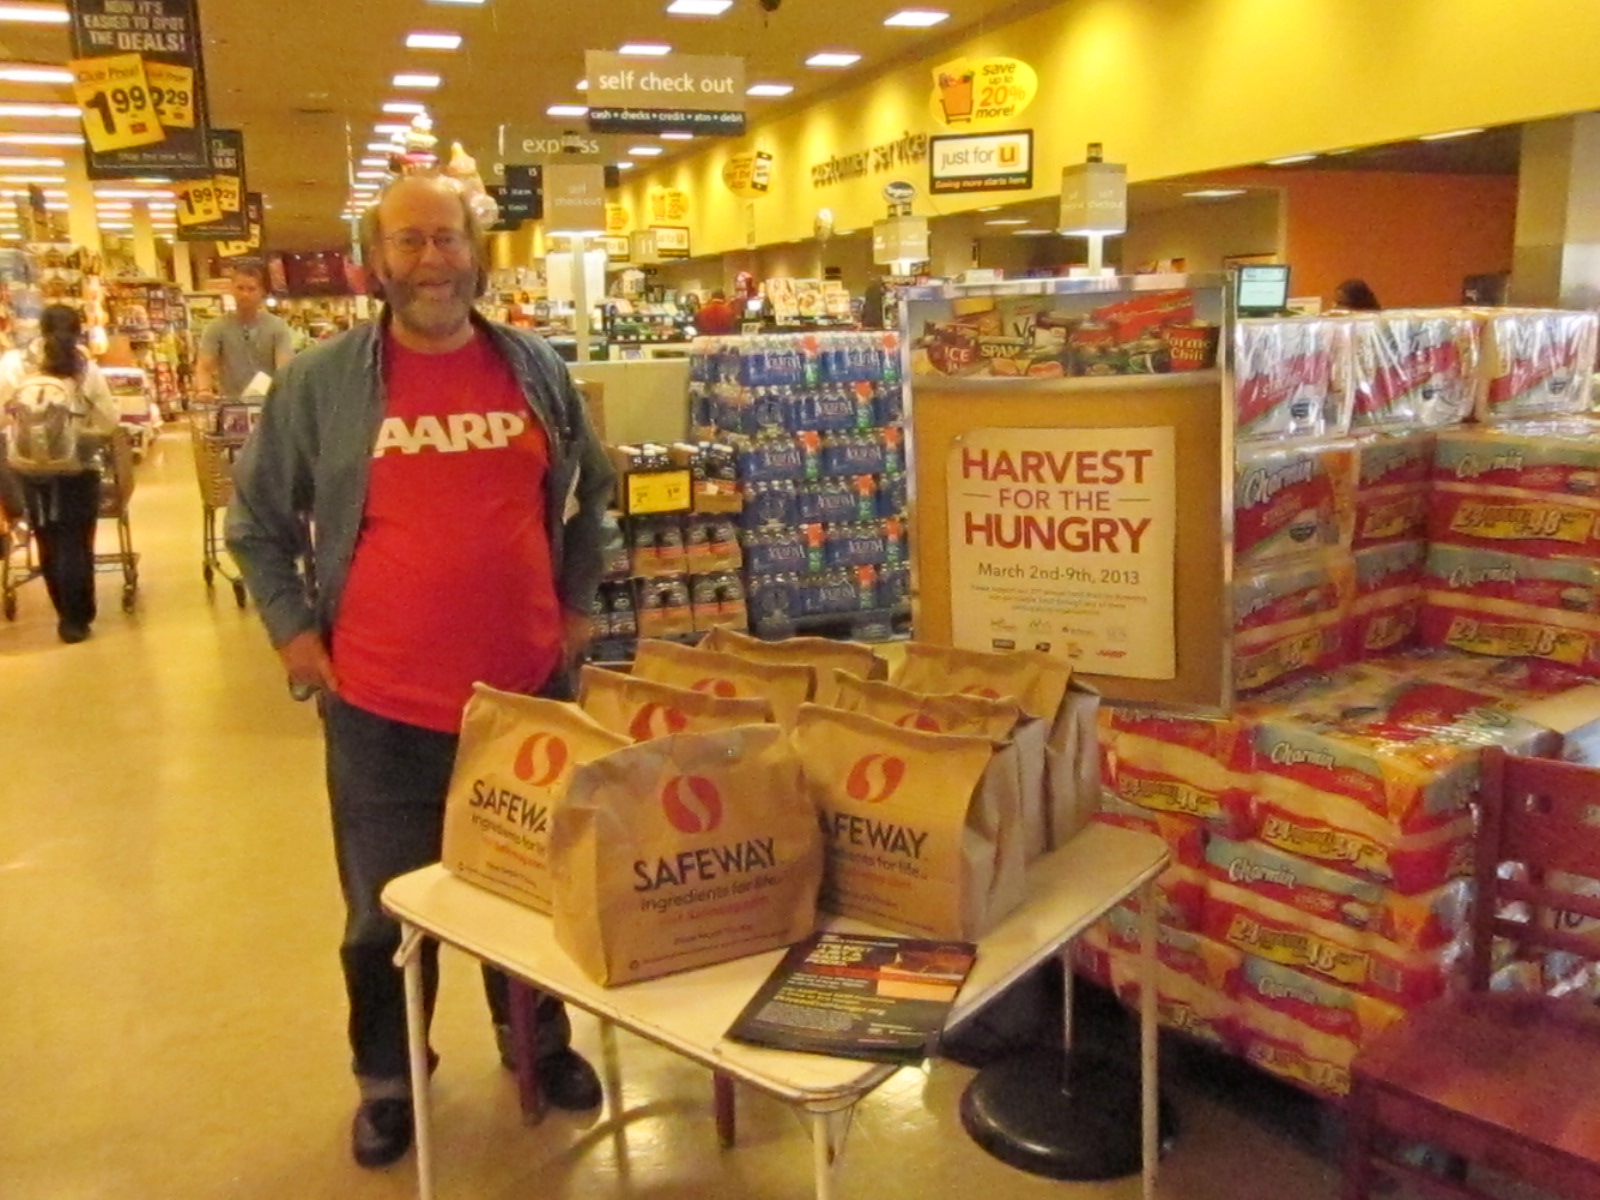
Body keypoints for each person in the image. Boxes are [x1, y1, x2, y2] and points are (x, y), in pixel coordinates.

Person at [226, 173, 615, 1169]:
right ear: (375, 260)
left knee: (532, 896)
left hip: (525, 696)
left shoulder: (532, 367)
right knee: (384, 910)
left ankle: (536, 1043)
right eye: (409, 242)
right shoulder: (322, 383)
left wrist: (575, 608)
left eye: (447, 239)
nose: (432, 260)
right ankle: (390, 1078)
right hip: (381, 705)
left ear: (477, 251)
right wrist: (293, 638)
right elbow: (258, 522)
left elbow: (590, 496)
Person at [0, 304, 118, 643]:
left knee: (46, 536)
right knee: (76, 539)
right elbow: (108, 421)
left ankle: (63, 612)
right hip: (76, 466)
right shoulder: (85, 368)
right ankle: (78, 618)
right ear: (79, 330)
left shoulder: (14, 364)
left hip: (28, 467)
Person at [194, 262, 295, 401]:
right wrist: (204, 390)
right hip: (231, 405)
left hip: (269, 404)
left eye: (251, 289)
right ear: (232, 290)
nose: (245, 294)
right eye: (240, 288)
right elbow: (205, 366)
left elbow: (284, 367)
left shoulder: (277, 326)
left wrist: (283, 392)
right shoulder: (216, 327)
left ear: (261, 292)